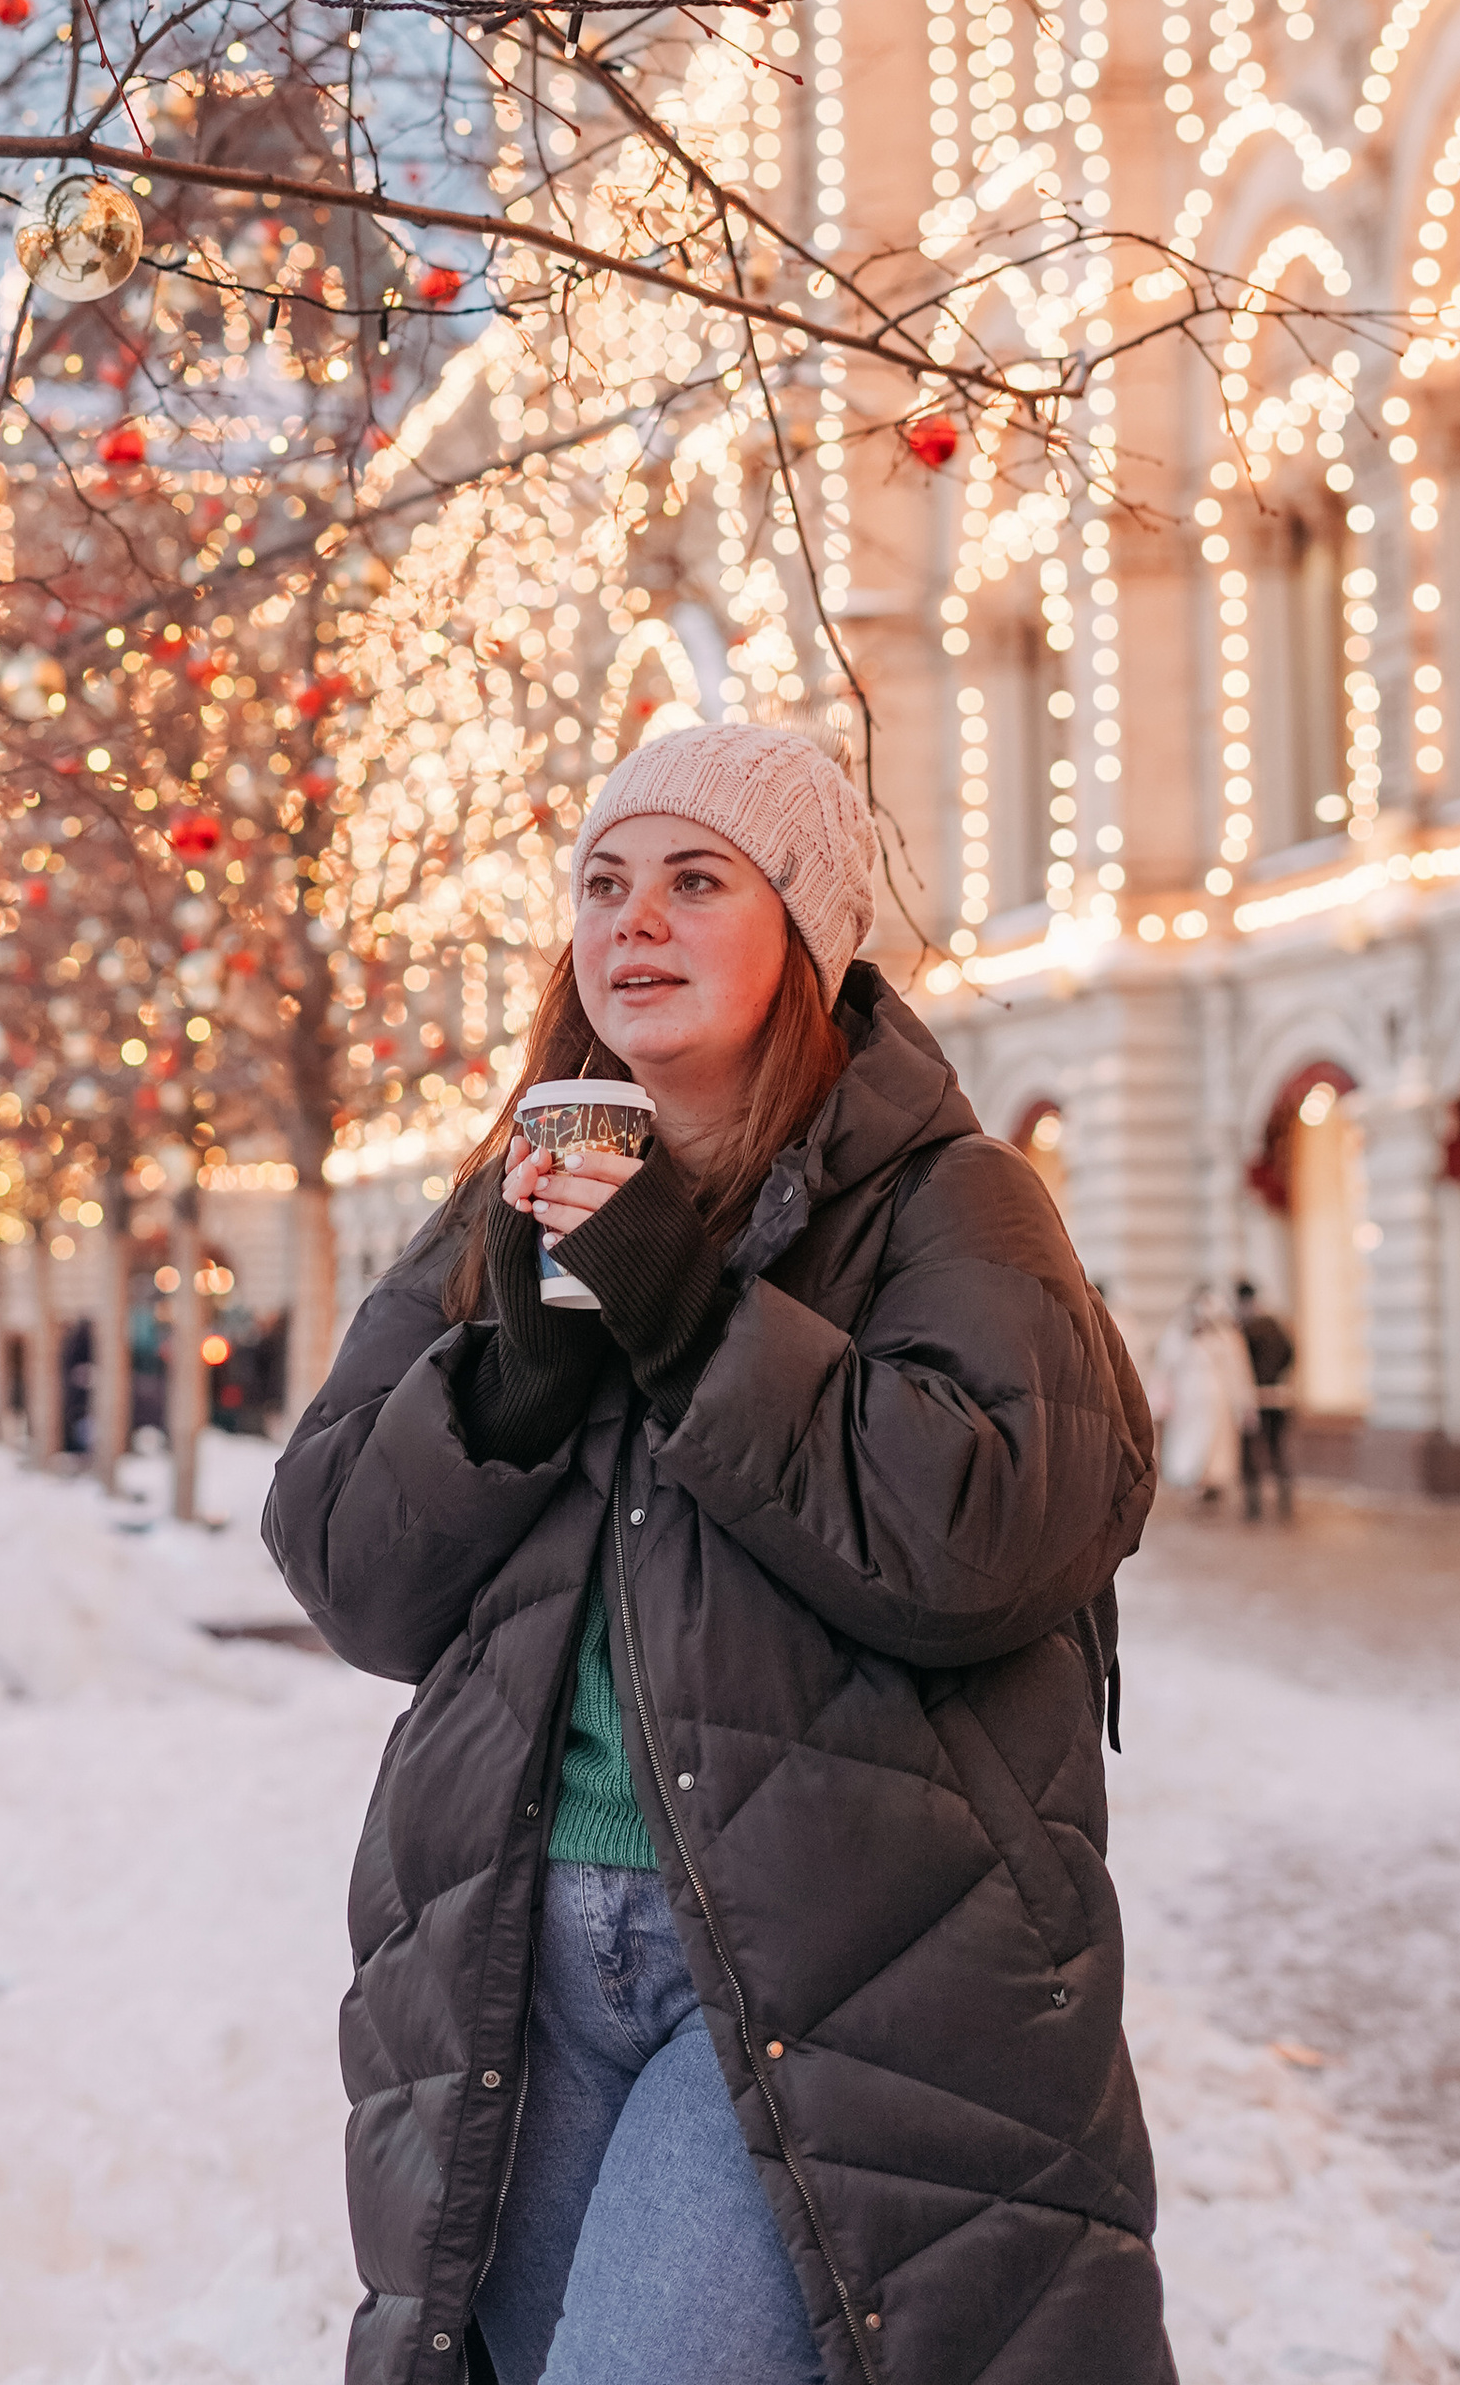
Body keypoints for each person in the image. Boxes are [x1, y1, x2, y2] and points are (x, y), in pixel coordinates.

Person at [266, 723, 1170, 2385]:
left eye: (698, 882)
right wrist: (499, 1394)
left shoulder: (948, 1203)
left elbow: (988, 1542)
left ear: (808, 941)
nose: (637, 923)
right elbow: (346, 1566)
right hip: (512, 1965)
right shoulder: (505, 1212)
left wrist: (692, 1316)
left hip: (825, 1955)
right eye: (606, 886)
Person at [1149, 1283, 1257, 1511]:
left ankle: (1212, 1485)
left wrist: (1244, 1403)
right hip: (1187, 1400)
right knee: (1190, 1443)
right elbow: (1166, 1365)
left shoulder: (1227, 1338)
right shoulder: (1179, 1336)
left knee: (1215, 1445)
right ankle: (1193, 1481)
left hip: (1217, 1400)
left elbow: (1238, 1371)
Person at [1232, 1279, 1296, 1523]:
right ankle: (1284, 1499)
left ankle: (1254, 1505)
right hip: (1278, 1396)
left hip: (1253, 1398)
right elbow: (1290, 1355)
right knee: (1277, 1447)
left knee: (1250, 1453)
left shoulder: (1244, 1330)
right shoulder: (1276, 1326)